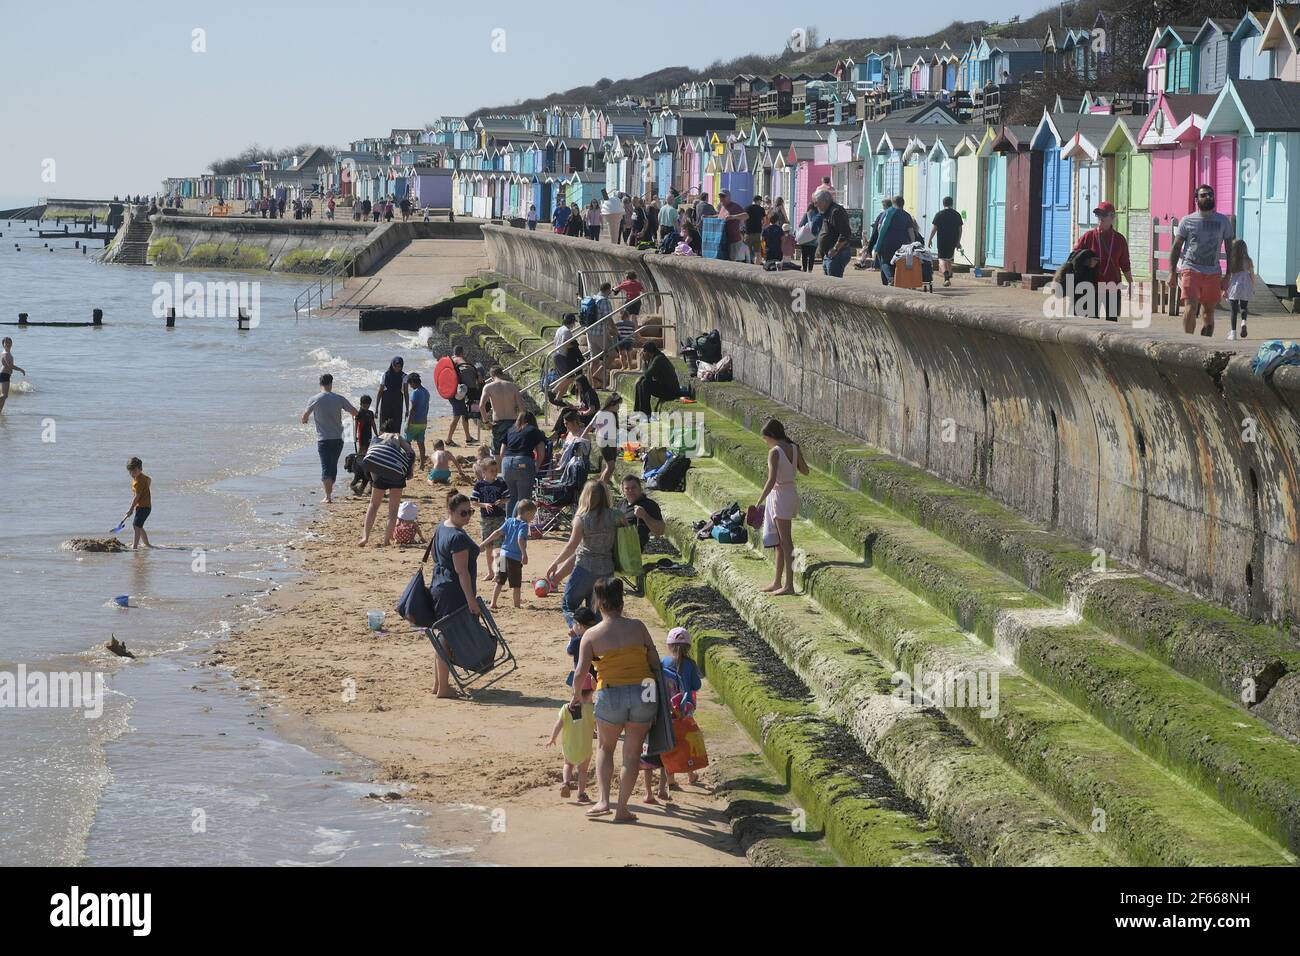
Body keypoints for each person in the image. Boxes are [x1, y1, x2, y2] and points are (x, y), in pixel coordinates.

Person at [569, 576, 665, 822]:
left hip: (610, 692)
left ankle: (603, 801)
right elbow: (654, 662)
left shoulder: (590, 635)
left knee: (605, 748)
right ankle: (622, 809)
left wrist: (576, 697)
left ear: (599, 605)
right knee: (632, 755)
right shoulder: (639, 627)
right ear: (621, 603)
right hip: (644, 692)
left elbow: (580, 673)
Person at [547, 480, 625, 630]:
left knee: (569, 605)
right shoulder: (616, 515)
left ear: (586, 496)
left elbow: (572, 546)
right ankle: (596, 639)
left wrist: (556, 563)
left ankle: (578, 632)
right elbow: (626, 537)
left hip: (585, 567)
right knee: (598, 610)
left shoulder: (582, 518)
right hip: (606, 569)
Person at [430, 492, 482, 698]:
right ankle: (443, 687)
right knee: (448, 639)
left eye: (470, 512)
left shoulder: (443, 527)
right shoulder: (458, 537)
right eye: (463, 513)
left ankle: (438, 684)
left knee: (442, 636)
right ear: (450, 511)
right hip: (453, 592)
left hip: (439, 585)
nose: (467, 517)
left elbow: (435, 556)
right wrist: (471, 601)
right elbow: (462, 572)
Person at [1169, 184, 1234, 336]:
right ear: (1196, 199)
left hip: (1213, 272)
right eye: (1203, 195)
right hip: (1191, 268)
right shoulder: (1187, 220)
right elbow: (1176, 247)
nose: (1207, 197)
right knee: (1190, 307)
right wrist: (1171, 272)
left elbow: (1231, 250)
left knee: (1208, 311)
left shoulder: (1223, 221)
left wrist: (1228, 276)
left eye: (1210, 195)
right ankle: (1188, 342)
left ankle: (1205, 344)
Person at [755, 418, 809, 595]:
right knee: (780, 543)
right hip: (790, 492)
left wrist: (758, 501)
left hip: (779, 496)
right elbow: (805, 471)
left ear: (771, 436)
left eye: (765, 439)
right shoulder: (794, 447)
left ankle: (789, 586)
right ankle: (777, 581)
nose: (765, 442)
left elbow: (771, 481)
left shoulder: (774, 452)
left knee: (786, 542)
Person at [302, 373, 358, 504]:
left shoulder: (315, 399)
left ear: (320, 384)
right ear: (331, 384)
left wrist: (305, 420)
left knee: (326, 467)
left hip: (324, 439)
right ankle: (329, 492)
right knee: (332, 466)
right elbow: (354, 411)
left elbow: (305, 416)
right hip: (338, 439)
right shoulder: (339, 398)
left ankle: (328, 496)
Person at [1072, 200, 1132, 321]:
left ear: (1112, 217)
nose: (1100, 218)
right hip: (1091, 286)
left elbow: (1125, 264)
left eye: (1104, 214)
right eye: (1098, 214)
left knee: (1112, 322)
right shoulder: (1088, 236)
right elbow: (1074, 257)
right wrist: (1087, 262)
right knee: (1092, 322)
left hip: (1112, 286)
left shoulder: (1119, 240)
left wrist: (1131, 283)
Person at [358, 419, 414, 547]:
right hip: (396, 473)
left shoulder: (376, 438)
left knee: (373, 505)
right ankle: (386, 540)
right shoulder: (397, 437)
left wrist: (373, 476)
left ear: (382, 429)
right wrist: (409, 470)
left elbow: (371, 457)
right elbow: (410, 452)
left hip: (378, 473)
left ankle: (365, 537)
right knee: (393, 509)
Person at [661, 626, 704, 788]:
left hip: (667, 710)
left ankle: (670, 779)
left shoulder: (663, 661)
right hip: (685, 711)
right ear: (688, 647)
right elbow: (696, 685)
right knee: (686, 742)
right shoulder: (691, 665)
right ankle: (691, 775)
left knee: (669, 744)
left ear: (669, 645)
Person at [548, 672, 596, 803]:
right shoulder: (592, 710)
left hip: (569, 746)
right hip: (585, 748)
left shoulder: (567, 708)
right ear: (592, 691)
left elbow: (559, 724)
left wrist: (553, 737)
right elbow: (598, 726)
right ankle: (581, 794)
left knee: (568, 765)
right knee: (583, 771)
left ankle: (566, 783)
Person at [482, 499, 534, 609]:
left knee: (499, 581)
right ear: (527, 513)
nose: (532, 519)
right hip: (514, 558)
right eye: (532, 516)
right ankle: (517, 605)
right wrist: (524, 554)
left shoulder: (509, 521)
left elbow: (497, 533)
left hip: (502, 555)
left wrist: (484, 542)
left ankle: (493, 603)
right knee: (516, 585)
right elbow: (520, 539)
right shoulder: (524, 525)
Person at [501, 410, 548, 517]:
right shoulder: (534, 431)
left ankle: (509, 526)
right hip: (523, 462)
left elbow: (501, 452)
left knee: (511, 498)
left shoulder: (510, 430)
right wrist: (536, 466)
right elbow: (541, 452)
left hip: (506, 463)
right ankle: (516, 526)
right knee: (523, 500)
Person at [471, 458, 509, 583]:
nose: (494, 473)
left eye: (496, 470)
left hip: (499, 518)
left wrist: (501, 501)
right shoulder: (479, 485)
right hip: (486, 519)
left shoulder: (501, 483)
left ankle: (501, 572)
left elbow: (508, 498)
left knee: (500, 546)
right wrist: (484, 505)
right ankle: (490, 572)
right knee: (488, 547)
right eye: (492, 471)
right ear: (484, 472)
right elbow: (473, 502)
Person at [479, 366, 525, 464]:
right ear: (502, 374)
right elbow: (522, 408)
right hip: (513, 422)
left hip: (498, 423)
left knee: (497, 451)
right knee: (513, 448)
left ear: (492, 376)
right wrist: (521, 423)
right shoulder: (512, 386)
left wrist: (486, 422)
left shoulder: (488, 387)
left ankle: (500, 474)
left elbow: (481, 406)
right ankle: (511, 471)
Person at [875, 196, 920, 286]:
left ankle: (890, 278)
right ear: (903, 204)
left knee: (885, 262)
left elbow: (880, 227)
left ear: (893, 203)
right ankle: (895, 281)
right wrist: (912, 243)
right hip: (902, 244)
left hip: (887, 242)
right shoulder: (907, 215)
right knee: (897, 262)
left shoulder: (887, 212)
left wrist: (881, 238)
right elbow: (911, 231)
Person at [583, 283, 617, 389]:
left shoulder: (593, 298)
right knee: (612, 354)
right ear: (607, 290)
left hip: (590, 332)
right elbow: (609, 318)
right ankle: (598, 374)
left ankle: (591, 385)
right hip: (600, 333)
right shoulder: (604, 301)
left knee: (594, 359)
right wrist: (615, 330)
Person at [634, 342, 681, 417]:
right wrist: (641, 378)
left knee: (645, 383)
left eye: (643, 352)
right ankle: (638, 411)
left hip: (671, 391)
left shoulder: (659, 359)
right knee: (639, 383)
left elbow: (647, 375)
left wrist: (644, 362)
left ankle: (646, 413)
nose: (642, 354)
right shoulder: (652, 358)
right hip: (663, 387)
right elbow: (648, 375)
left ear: (647, 352)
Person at [814, 188, 854, 278]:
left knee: (834, 285)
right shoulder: (827, 211)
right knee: (828, 284)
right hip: (828, 255)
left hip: (837, 254)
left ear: (824, 201)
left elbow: (846, 233)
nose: (815, 205)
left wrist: (835, 249)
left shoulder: (836, 211)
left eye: (817, 202)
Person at [620, 475, 665, 549]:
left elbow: (660, 530)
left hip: (632, 549)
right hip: (618, 543)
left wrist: (644, 515)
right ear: (623, 491)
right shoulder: (621, 504)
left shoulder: (649, 505)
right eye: (627, 488)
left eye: (634, 487)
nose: (630, 491)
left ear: (640, 488)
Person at [928, 196, 965, 287]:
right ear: (952, 203)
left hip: (942, 239)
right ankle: (949, 274)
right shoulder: (957, 214)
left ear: (943, 203)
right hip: (953, 239)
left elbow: (934, 229)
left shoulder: (939, 214)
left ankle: (946, 277)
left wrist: (930, 239)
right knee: (948, 258)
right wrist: (958, 241)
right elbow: (960, 229)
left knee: (941, 259)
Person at [445, 346, 477, 447]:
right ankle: (448, 439)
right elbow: (467, 368)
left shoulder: (450, 360)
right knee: (457, 416)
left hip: (452, 391)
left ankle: (468, 437)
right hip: (457, 393)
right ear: (462, 353)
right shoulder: (458, 359)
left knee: (464, 414)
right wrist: (477, 375)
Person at [1226, 239, 1255, 341]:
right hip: (1246, 285)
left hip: (1234, 285)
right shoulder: (1248, 260)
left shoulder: (1232, 260)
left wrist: (1225, 289)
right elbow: (1252, 275)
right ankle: (1243, 322)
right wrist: (1253, 286)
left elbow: (1229, 276)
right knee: (1244, 306)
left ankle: (1233, 333)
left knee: (1233, 310)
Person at [122, 457, 153, 550]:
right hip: (145, 506)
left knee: (136, 526)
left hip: (143, 507)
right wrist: (146, 490)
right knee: (139, 526)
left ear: (140, 469)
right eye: (130, 471)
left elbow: (137, 496)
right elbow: (149, 479)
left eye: (134, 471)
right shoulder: (142, 477)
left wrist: (130, 509)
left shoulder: (138, 482)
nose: (132, 473)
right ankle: (147, 544)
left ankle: (135, 546)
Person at [375, 357, 407, 443]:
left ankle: (395, 446)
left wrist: (407, 409)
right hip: (385, 405)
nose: (397, 368)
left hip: (397, 406)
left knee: (396, 428)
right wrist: (376, 408)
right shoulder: (385, 375)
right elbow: (380, 392)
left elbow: (406, 394)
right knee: (383, 427)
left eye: (399, 366)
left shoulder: (404, 376)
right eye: (395, 366)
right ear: (392, 365)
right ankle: (381, 446)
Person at [350, 395, 377, 496]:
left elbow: (373, 424)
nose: (366, 407)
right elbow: (356, 424)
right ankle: (362, 473)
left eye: (368, 405)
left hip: (369, 435)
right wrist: (355, 436)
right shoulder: (359, 413)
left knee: (368, 453)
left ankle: (366, 475)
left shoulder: (370, 413)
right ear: (361, 404)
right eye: (364, 405)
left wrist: (377, 433)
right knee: (361, 454)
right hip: (361, 436)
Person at [405, 372, 431, 470]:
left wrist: (408, 423)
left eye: (410, 384)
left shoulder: (416, 392)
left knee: (407, 442)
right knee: (421, 443)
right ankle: (422, 464)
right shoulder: (426, 392)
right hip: (423, 422)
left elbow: (413, 408)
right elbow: (426, 407)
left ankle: (408, 463)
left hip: (414, 422)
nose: (410, 386)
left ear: (412, 382)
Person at [716, 189, 747, 262]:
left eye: (723, 196)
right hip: (724, 240)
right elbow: (720, 216)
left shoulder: (735, 206)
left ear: (729, 197)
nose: (721, 198)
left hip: (734, 240)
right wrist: (708, 216)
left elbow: (746, 216)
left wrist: (733, 217)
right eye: (720, 196)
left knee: (733, 263)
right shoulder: (722, 207)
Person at [0, 337, 26, 415]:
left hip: (4, 375)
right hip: (4, 375)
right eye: (6, 343)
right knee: (4, 395)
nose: (8, 344)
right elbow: (10, 366)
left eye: (9, 342)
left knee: (4, 396)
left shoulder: (5, 352)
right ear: (3, 344)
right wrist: (21, 369)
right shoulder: (6, 354)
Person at [796, 201, 821, 272]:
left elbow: (801, 225)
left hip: (805, 240)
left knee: (804, 256)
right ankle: (810, 270)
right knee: (812, 256)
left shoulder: (806, 214)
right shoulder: (817, 215)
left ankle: (804, 269)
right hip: (814, 240)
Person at [744, 194, 766, 263]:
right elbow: (764, 220)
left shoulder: (747, 208)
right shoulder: (761, 209)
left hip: (748, 233)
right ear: (758, 201)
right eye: (760, 201)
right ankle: (757, 266)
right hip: (758, 233)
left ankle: (747, 265)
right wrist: (762, 226)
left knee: (745, 251)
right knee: (758, 252)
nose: (761, 203)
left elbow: (744, 219)